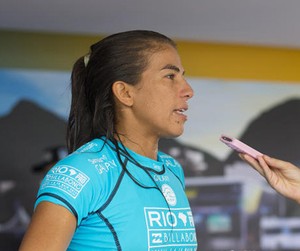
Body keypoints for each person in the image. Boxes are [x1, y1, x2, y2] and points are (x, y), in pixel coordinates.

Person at [19, 30, 198, 251]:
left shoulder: (171, 169)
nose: (188, 90)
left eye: (183, 76)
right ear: (125, 92)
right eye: (170, 76)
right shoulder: (82, 172)